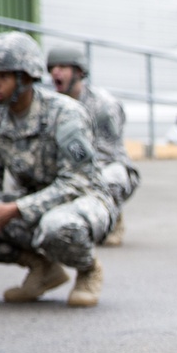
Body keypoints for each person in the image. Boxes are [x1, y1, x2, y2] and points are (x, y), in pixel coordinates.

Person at [0, 31, 116, 307]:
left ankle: (89, 269)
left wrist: (15, 210)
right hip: (30, 201)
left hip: (83, 200)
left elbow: (79, 181)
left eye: (2, 76)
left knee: (57, 227)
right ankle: (42, 268)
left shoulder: (65, 113)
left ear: (25, 78)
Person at [47, 44, 140, 246]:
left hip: (102, 165)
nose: (56, 72)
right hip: (65, 164)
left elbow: (107, 154)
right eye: (52, 68)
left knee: (111, 176)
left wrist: (79, 178)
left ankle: (111, 216)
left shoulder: (103, 106)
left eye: (62, 67)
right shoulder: (50, 105)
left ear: (79, 72)